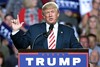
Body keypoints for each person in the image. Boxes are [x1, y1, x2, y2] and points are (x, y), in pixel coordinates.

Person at [10, 2, 82, 50]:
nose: (50, 15)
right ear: (43, 16)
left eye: (52, 12)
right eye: (47, 13)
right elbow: (22, 46)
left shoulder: (68, 31)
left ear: (58, 14)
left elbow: (78, 50)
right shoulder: (34, 29)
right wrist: (15, 31)